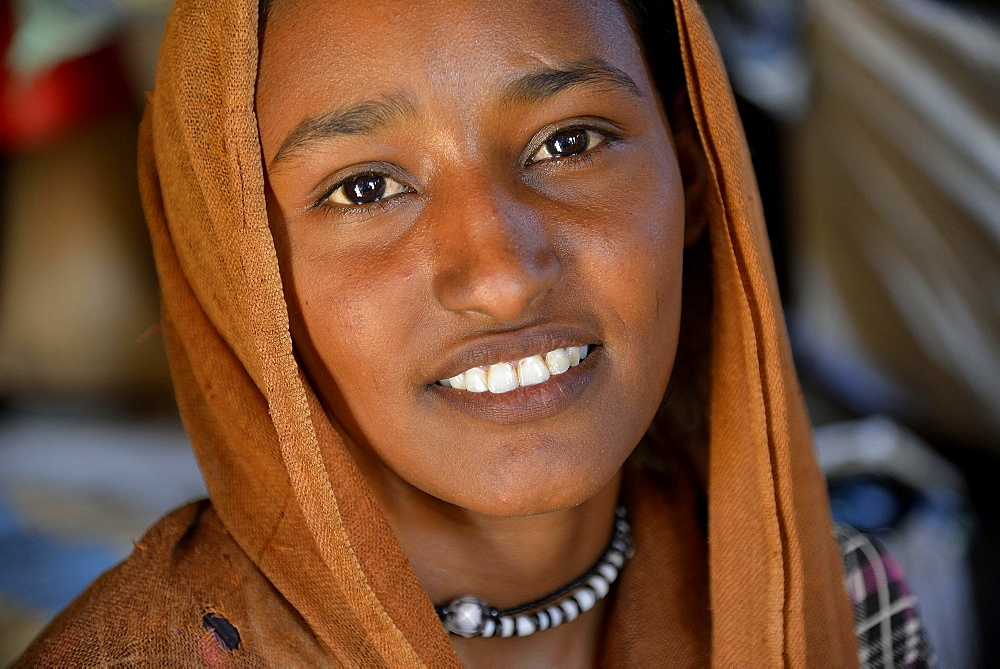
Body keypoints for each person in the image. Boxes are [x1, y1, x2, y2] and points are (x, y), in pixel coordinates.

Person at [15, 0, 932, 666]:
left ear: (694, 182)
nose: (498, 276)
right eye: (365, 188)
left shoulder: (836, 601)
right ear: (239, 276)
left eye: (569, 142)